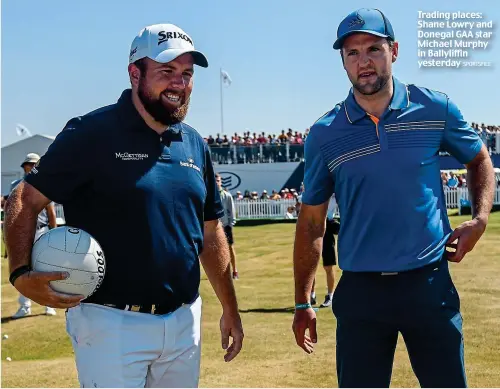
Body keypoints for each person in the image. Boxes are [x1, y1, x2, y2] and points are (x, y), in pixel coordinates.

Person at [4, 23, 243, 388]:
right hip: (109, 323)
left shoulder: (194, 143)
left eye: (187, 74)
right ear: (135, 73)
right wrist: (21, 273)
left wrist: (230, 307)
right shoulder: (91, 132)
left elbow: (211, 231)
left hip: (184, 322)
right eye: (166, 72)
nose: (179, 83)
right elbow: (25, 196)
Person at [292, 8, 495, 388]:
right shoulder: (323, 134)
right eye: (352, 53)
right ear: (342, 62)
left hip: (428, 285)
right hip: (361, 293)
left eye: (373, 48)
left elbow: (478, 157)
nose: (363, 61)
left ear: (394, 51)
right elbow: (312, 223)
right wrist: (303, 301)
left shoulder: (435, 108)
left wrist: (479, 217)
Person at [10, 153, 58, 318]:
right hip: (21, 232)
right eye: (28, 164)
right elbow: (11, 211)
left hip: (41, 230)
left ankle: (49, 305)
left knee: (46, 267)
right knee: (21, 269)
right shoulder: (15, 185)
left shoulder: (46, 185)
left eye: (34, 164)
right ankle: (24, 307)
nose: (31, 167)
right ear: (24, 166)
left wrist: (54, 233)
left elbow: (50, 212)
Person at [310, 194, 338, 308]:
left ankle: (330, 296)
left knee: (328, 266)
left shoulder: (335, 193)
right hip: (312, 226)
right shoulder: (315, 189)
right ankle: (311, 295)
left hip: (327, 226)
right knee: (311, 265)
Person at [215, 173, 239, 280]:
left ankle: (235, 271)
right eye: (215, 181)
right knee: (215, 250)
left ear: (221, 182)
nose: (216, 183)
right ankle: (220, 272)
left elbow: (231, 210)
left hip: (226, 225)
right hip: (214, 227)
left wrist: (230, 224)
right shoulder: (209, 196)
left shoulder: (227, 195)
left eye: (218, 180)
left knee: (230, 247)